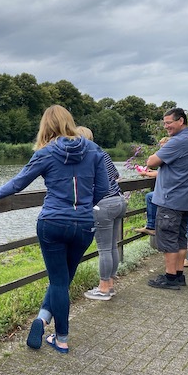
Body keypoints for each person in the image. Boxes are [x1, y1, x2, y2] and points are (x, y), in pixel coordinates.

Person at [0, 105, 109, 353]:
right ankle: (44, 321)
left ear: (46, 126)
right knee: (64, 278)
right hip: (84, 225)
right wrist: (83, 207)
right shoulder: (94, 150)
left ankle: (60, 337)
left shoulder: (46, 152)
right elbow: (103, 189)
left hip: (53, 223)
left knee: (59, 281)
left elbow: (18, 183)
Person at [146, 107, 188, 290]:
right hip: (185, 199)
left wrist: (159, 154)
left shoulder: (178, 141)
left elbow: (151, 162)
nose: (166, 126)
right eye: (164, 123)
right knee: (179, 237)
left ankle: (170, 278)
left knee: (168, 237)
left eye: (169, 123)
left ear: (181, 121)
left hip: (171, 199)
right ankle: (178, 275)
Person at [75, 127, 128, 301]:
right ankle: (110, 285)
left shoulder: (84, 156)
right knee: (112, 246)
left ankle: (103, 288)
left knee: (104, 248)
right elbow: (116, 176)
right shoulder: (102, 153)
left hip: (103, 204)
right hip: (119, 200)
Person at [134, 136, 170, 236]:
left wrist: (145, 173)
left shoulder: (167, 156)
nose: (161, 149)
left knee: (150, 197)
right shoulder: (169, 156)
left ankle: (151, 226)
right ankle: (151, 226)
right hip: (171, 191)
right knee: (150, 196)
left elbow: (160, 174)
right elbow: (160, 172)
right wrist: (150, 172)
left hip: (169, 192)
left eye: (163, 146)